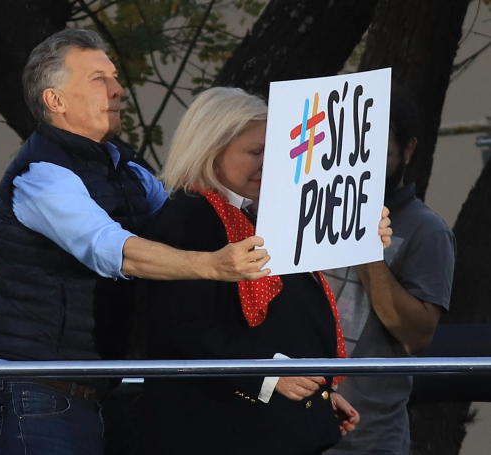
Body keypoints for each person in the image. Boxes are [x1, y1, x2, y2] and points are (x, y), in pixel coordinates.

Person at [0, 30, 270, 455]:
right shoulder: (41, 175)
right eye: (99, 79)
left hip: (100, 393)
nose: (117, 89)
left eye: (115, 77)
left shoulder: (127, 168)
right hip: (37, 393)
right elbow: (109, 248)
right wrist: (214, 265)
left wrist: (321, 215)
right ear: (55, 100)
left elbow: (186, 224)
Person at [141, 87, 391, 455]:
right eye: (256, 152)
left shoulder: (258, 215)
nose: (269, 164)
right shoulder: (189, 216)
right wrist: (270, 376)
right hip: (219, 432)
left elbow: (286, 320)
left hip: (268, 425)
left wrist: (318, 396)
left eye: (274, 153)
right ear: (211, 150)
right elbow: (182, 327)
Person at [322, 89, 456, 455]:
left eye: (377, 143)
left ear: (408, 150)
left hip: (368, 441)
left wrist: (365, 244)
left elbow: (417, 336)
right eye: (352, 141)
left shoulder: (427, 230)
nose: (361, 155)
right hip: (291, 431)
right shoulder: (310, 213)